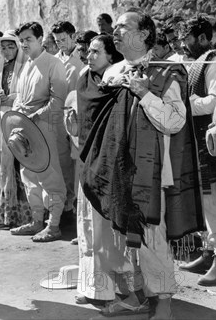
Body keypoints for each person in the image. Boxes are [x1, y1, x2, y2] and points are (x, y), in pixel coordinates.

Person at [82, 9, 203, 319]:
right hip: (118, 172)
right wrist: (118, 81)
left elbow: (175, 121)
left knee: (151, 239)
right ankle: (134, 296)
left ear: (144, 35)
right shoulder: (114, 71)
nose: (116, 32)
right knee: (123, 239)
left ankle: (163, 300)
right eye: (117, 27)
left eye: (124, 27)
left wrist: (146, 94)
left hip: (152, 174)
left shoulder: (167, 73)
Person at [64, 34, 124, 306]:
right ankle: (89, 286)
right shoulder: (85, 79)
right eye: (88, 51)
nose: (88, 56)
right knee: (86, 226)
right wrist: (72, 125)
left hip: (110, 164)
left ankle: (109, 290)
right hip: (87, 158)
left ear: (111, 56)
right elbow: (81, 120)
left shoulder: (118, 82)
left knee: (105, 229)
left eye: (95, 52)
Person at [178, 17, 216, 286]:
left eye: (187, 38)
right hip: (200, 144)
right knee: (204, 201)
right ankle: (209, 253)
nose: (182, 43)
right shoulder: (199, 63)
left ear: (202, 38)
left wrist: (184, 103)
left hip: (214, 145)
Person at [9, 22, 68, 243]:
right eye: (21, 40)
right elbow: (19, 98)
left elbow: (58, 100)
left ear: (41, 38)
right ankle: (36, 221)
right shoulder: (26, 65)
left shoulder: (54, 64)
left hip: (45, 126)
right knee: (29, 174)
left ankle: (53, 225)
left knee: (49, 174)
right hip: (25, 127)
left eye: (28, 39)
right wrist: (16, 118)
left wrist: (34, 116)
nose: (24, 43)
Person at [0, 30, 32, 230]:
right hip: (2, 117)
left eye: (10, 46)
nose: (6, 51)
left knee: (20, 161)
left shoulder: (25, 66)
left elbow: (29, 92)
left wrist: (12, 97)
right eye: (3, 47)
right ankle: (6, 212)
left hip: (20, 118)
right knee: (5, 163)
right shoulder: (1, 67)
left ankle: (24, 214)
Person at [51, 21, 84, 220]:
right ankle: (66, 205)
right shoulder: (54, 61)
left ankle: (78, 206)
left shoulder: (83, 59)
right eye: (57, 40)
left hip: (75, 117)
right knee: (61, 162)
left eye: (63, 39)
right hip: (56, 117)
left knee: (76, 163)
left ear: (73, 36)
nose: (60, 43)